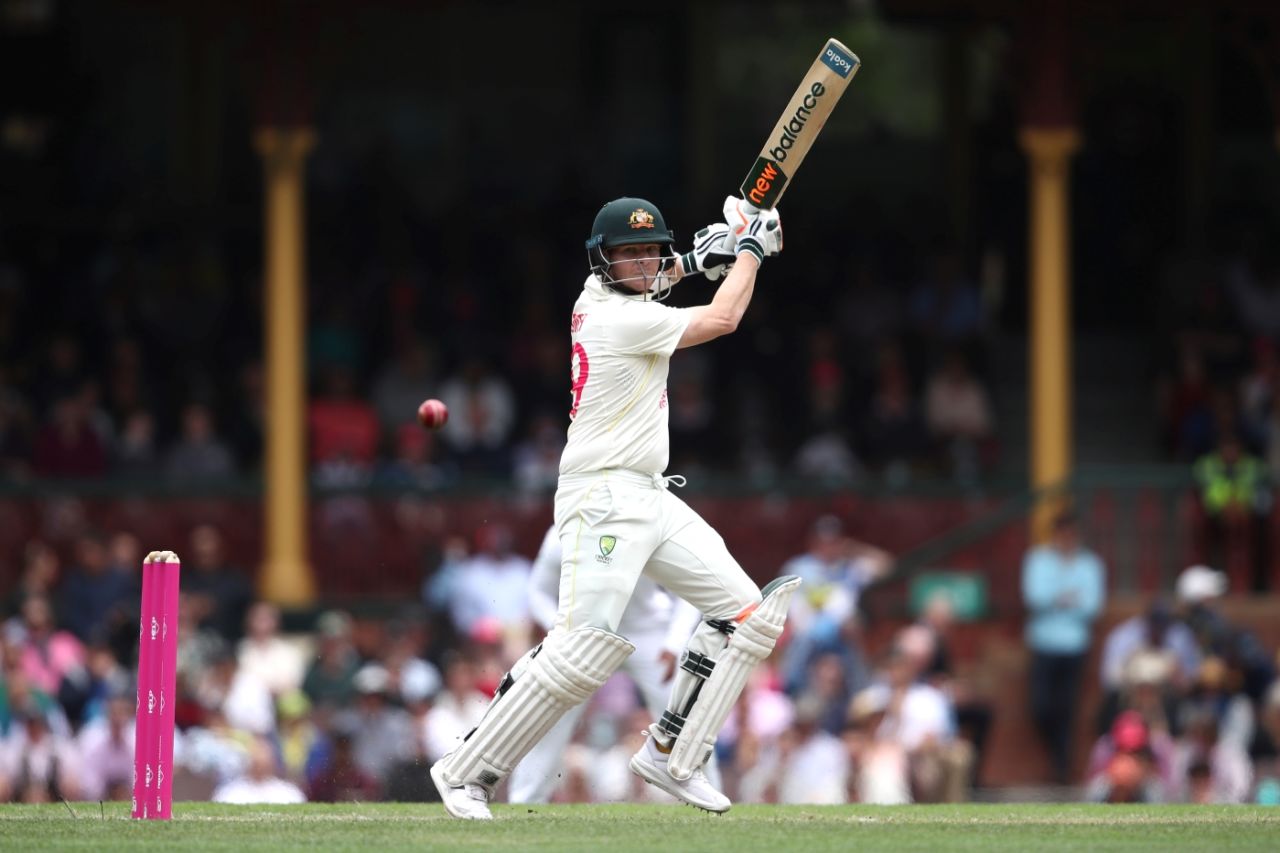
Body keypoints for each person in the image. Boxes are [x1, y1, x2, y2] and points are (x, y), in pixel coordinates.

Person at [430, 195, 790, 820]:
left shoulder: (626, 291)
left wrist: (717, 246)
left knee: (748, 618)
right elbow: (725, 317)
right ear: (602, 261)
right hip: (602, 498)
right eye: (629, 254)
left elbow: (668, 270)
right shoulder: (614, 317)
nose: (644, 263)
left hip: (651, 493)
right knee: (580, 650)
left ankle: (671, 754)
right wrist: (752, 250)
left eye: (651, 251)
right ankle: (463, 771)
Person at [507, 525, 704, 803]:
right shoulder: (564, 531)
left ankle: (705, 801)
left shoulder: (652, 523)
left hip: (649, 634)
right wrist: (561, 630)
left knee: (685, 721)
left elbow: (689, 589)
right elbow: (538, 591)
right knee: (551, 720)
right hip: (585, 635)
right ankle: (524, 800)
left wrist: (674, 641)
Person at [1021, 509, 1106, 784]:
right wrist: (1067, 598)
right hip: (1044, 645)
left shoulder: (1090, 564)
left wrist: (1056, 600)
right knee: (1041, 707)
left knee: (1067, 709)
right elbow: (1034, 598)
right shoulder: (1038, 560)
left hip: (1075, 647)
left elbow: (1092, 606)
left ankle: (1062, 767)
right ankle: (1057, 757)